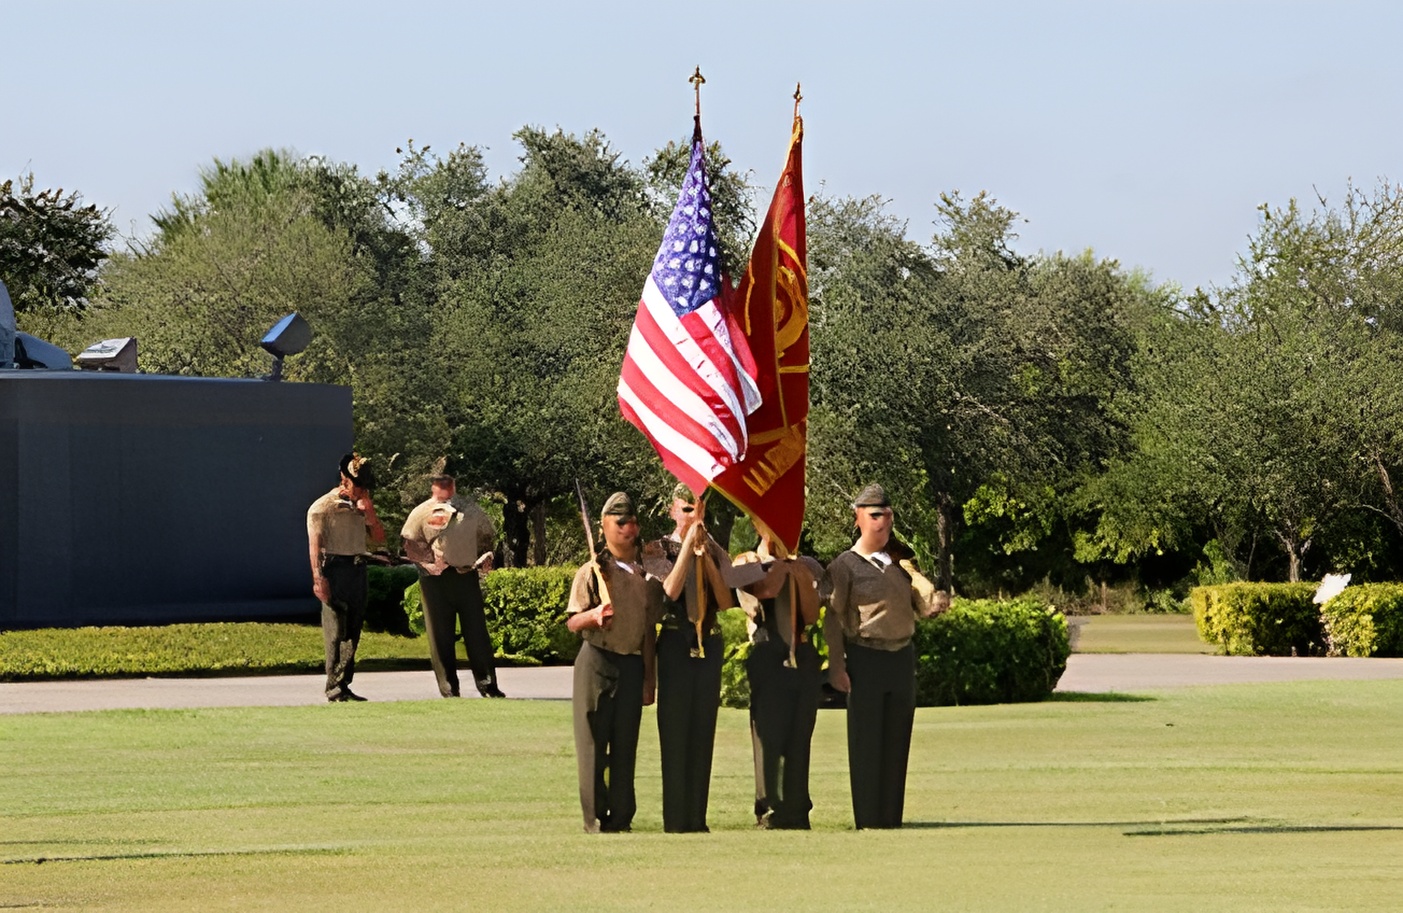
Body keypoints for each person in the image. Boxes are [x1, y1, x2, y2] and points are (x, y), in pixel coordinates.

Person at [823, 483, 948, 828]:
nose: (884, 521)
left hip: (900, 656)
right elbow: (832, 619)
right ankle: (868, 817)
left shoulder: (901, 562)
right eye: (876, 515)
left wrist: (934, 603)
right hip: (865, 656)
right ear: (858, 518)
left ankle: (892, 817)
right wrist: (836, 665)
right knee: (866, 741)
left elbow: (919, 606)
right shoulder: (844, 566)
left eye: (888, 514)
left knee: (897, 740)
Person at [642, 484, 766, 833]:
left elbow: (727, 600)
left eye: (698, 512)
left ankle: (698, 817)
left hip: (708, 645)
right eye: (685, 511)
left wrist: (707, 555)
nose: (693, 518)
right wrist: (687, 550)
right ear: (671, 511)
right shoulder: (656, 548)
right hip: (675, 644)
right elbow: (670, 590)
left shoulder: (712, 547)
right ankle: (676, 819)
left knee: (702, 733)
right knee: (676, 732)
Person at [566, 491, 662, 834]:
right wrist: (593, 616)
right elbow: (572, 622)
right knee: (592, 742)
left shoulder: (647, 577)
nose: (629, 528)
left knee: (626, 745)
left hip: (632, 665)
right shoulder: (592, 572)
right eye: (621, 523)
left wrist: (650, 680)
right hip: (596, 661)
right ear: (604, 526)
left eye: (633, 522)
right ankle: (594, 818)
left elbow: (649, 632)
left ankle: (621, 817)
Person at [735, 541, 823, 829]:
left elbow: (811, 614)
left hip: (802, 653)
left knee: (800, 736)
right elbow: (763, 593)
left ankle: (797, 808)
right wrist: (781, 567)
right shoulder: (747, 561)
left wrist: (798, 572)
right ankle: (770, 808)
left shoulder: (807, 564)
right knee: (769, 739)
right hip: (768, 651)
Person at [401, 469, 505, 698]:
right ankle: (449, 689)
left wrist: (487, 556)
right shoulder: (421, 512)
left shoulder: (470, 510)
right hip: (435, 581)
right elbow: (409, 545)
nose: (444, 487)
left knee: (477, 632)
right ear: (432, 486)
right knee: (440, 636)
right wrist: (428, 564)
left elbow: (487, 538)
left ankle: (488, 685)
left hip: (466, 576)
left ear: (454, 485)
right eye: (439, 483)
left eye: (448, 482)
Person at [307, 453, 386, 702]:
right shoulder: (323, 507)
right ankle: (334, 687)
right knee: (336, 631)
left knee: (353, 630)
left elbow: (379, 540)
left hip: (357, 568)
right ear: (344, 479)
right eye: (357, 486)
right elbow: (315, 546)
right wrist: (318, 578)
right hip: (335, 569)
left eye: (364, 488)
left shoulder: (362, 506)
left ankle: (344, 684)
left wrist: (370, 514)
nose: (361, 491)